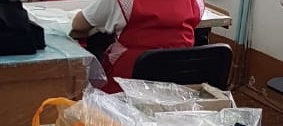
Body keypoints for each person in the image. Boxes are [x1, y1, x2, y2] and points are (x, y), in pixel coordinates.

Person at [70, 0, 205, 94]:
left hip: (124, 89)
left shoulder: (124, 2)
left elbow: (79, 24)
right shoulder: (195, 2)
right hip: (177, 90)